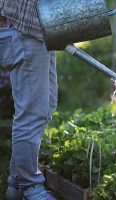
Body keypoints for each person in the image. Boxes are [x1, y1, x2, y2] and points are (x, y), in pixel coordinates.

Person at [0, 0, 57, 199]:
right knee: (31, 114)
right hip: (21, 28)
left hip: (39, 28)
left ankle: (16, 183)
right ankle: (31, 186)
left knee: (46, 106)